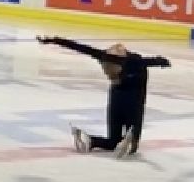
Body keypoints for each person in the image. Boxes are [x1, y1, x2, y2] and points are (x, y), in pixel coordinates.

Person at [36, 36, 172, 159]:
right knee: (115, 142)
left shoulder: (133, 62)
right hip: (117, 99)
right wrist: (54, 40)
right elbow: (79, 47)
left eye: (111, 69)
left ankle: (128, 138)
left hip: (133, 100)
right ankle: (93, 140)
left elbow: (154, 61)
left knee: (129, 145)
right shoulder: (105, 56)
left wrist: (163, 62)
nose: (108, 71)